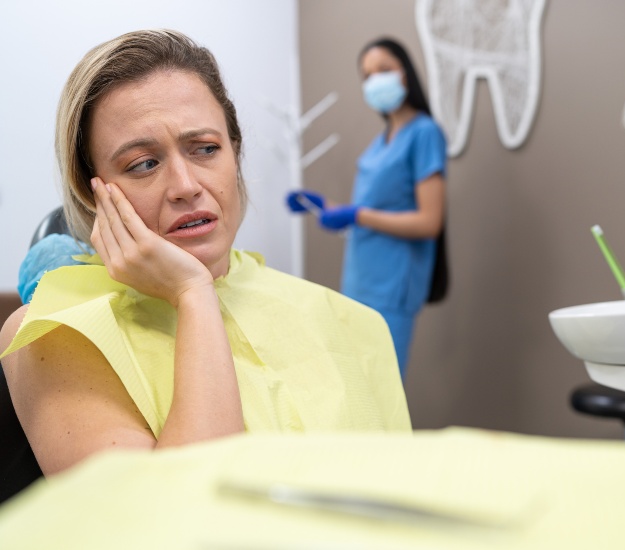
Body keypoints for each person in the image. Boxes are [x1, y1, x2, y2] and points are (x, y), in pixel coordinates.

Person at [0, 29, 410, 477]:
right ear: (90, 190)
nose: (186, 186)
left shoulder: (354, 323)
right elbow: (169, 510)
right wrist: (192, 292)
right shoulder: (54, 334)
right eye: (143, 164)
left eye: (206, 149)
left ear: (236, 153)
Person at [287, 38, 448, 379]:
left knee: (380, 389)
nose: (376, 80)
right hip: (360, 279)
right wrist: (325, 207)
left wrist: (356, 215)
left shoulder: (424, 133)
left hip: (392, 285)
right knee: (357, 388)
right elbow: (375, 208)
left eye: (384, 70)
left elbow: (429, 221)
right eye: (368, 75)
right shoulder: (383, 139)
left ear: (405, 72)